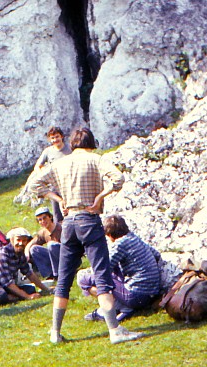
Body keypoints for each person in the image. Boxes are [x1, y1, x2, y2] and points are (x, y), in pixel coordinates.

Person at [28, 126, 146, 345]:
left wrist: (58, 199)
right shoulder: (95, 160)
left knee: (64, 279)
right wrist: (100, 197)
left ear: (73, 143)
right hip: (89, 221)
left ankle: (55, 332)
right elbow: (118, 179)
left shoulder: (60, 163)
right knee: (102, 276)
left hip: (69, 223)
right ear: (90, 143)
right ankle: (114, 330)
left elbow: (34, 184)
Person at [78, 215, 161, 323]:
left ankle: (116, 308)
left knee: (84, 280)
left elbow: (102, 270)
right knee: (115, 270)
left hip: (135, 296)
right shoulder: (134, 238)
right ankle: (121, 306)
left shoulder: (120, 244)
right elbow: (156, 254)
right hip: (152, 294)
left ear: (110, 235)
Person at [34, 127, 71, 222]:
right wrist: (43, 177)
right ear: (49, 139)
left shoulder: (70, 148)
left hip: (69, 184)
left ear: (62, 136)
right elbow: (37, 166)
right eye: (52, 138)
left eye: (57, 137)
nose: (55, 140)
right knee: (57, 215)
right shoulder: (48, 151)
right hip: (54, 186)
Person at [25, 205, 62, 280]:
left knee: (51, 245)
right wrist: (26, 254)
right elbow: (30, 244)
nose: (43, 221)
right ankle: (49, 274)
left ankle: (57, 274)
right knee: (34, 249)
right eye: (40, 220)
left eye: (44, 218)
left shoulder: (61, 228)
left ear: (50, 217)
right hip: (56, 259)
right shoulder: (43, 232)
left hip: (68, 258)